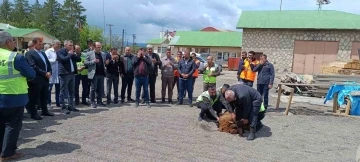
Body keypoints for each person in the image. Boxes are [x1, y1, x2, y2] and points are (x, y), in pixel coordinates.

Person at [0, 31, 35, 161]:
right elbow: (31, 74)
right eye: (13, 41)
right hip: (13, 95)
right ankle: (7, 153)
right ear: (8, 42)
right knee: (12, 125)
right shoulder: (15, 57)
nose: (14, 43)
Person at [25, 37, 54, 120]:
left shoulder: (43, 53)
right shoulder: (30, 53)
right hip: (36, 79)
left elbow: (47, 64)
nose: (41, 46)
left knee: (44, 96)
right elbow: (33, 66)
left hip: (45, 78)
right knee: (34, 97)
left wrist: (49, 71)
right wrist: (45, 73)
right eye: (39, 44)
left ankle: (44, 111)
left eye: (42, 44)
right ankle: (33, 113)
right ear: (34, 44)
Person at [57, 41, 81, 114]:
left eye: (72, 45)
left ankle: (71, 106)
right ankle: (63, 107)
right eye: (70, 45)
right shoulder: (60, 51)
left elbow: (78, 59)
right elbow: (64, 59)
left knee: (72, 91)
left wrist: (75, 54)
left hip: (72, 73)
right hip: (64, 74)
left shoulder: (71, 52)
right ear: (65, 45)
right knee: (63, 91)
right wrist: (70, 54)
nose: (72, 46)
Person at [84, 42, 107, 108]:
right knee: (93, 89)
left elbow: (104, 63)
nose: (100, 48)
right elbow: (85, 62)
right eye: (98, 47)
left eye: (100, 47)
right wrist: (93, 61)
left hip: (101, 74)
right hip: (94, 74)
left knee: (100, 88)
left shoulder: (103, 54)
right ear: (94, 47)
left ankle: (99, 101)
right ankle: (92, 102)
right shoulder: (89, 53)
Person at [45, 40, 61, 108]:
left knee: (59, 89)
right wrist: (55, 59)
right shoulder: (48, 51)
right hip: (51, 73)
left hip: (58, 73)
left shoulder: (59, 51)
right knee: (49, 89)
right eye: (57, 44)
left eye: (59, 44)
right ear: (53, 44)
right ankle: (48, 103)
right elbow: (46, 61)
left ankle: (58, 102)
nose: (59, 46)